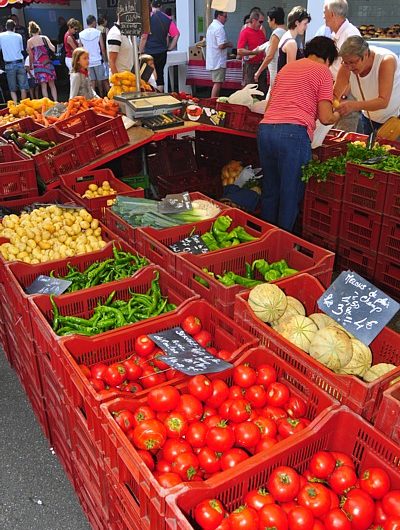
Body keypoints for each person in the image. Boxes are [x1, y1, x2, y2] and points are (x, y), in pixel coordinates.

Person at [258, 36, 340, 231]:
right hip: (293, 134)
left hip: (266, 130)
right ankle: (283, 244)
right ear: (328, 58)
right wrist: (340, 112)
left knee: (270, 190)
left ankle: (265, 239)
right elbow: (326, 117)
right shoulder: (323, 72)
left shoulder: (287, 68)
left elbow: (270, 106)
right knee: (290, 193)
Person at [334, 36, 400, 135]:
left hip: (394, 121)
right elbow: (334, 94)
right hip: (369, 119)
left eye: (352, 62)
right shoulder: (346, 66)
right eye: (345, 62)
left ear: (365, 55)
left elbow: (383, 101)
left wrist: (353, 105)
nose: (349, 67)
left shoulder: (386, 61)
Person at [323, 0, 361, 132]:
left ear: (332, 14)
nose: (323, 16)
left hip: (345, 92)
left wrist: (343, 93)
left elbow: (353, 67)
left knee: (343, 133)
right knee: (332, 131)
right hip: (336, 88)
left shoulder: (350, 34)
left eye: (324, 12)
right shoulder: (336, 33)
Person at [139, 1, 179, 91]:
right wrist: (170, 47)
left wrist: (140, 51)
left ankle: (150, 97)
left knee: (147, 77)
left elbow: (144, 37)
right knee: (160, 76)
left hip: (149, 52)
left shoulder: (147, 19)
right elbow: (176, 34)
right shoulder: (167, 19)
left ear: (151, 6)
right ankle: (160, 97)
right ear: (161, 6)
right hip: (162, 52)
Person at [237, 10, 268, 94]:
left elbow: (264, 45)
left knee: (261, 91)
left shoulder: (260, 32)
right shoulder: (245, 32)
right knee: (249, 91)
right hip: (250, 66)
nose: (261, 24)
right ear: (254, 20)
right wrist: (253, 53)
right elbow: (239, 51)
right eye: (260, 22)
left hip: (261, 65)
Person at [254, 7, 286, 88]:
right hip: (282, 71)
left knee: (272, 96)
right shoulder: (285, 32)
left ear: (273, 20)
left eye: (268, 19)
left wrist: (258, 71)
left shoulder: (276, 33)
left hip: (276, 71)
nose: (268, 22)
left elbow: (270, 56)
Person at [27, 21, 57, 101]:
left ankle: (47, 103)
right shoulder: (44, 38)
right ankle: (56, 101)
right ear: (38, 30)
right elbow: (53, 49)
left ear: (30, 32)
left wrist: (30, 65)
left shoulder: (29, 41)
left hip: (38, 65)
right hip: (47, 63)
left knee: (43, 86)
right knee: (52, 84)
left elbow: (31, 55)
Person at [0, 19, 29, 103]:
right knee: (23, 87)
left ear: (6, 27)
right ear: (14, 28)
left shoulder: (1, 36)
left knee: (12, 88)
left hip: (9, 64)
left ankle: (16, 105)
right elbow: (21, 50)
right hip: (20, 62)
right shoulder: (18, 36)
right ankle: (23, 105)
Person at [205, 11, 232, 98]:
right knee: (218, 83)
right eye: (225, 16)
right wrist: (228, 44)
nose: (226, 19)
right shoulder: (219, 28)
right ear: (219, 16)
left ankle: (213, 101)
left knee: (217, 82)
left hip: (213, 59)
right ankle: (213, 102)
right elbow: (221, 45)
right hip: (218, 61)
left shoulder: (211, 26)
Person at [79, 15, 108, 97]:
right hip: (98, 60)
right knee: (101, 79)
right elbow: (102, 48)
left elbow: (80, 49)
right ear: (94, 22)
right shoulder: (98, 33)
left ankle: (93, 98)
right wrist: (105, 59)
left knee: (92, 81)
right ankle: (102, 95)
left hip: (87, 62)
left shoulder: (81, 34)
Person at [277, 6, 311, 72]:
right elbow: (291, 71)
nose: (306, 27)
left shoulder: (287, 36)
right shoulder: (291, 43)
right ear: (297, 23)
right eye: (305, 24)